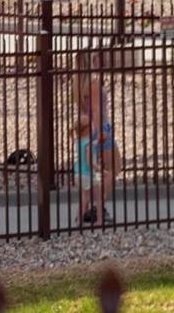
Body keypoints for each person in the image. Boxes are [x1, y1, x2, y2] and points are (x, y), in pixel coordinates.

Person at [73, 52, 117, 225]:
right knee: (111, 169)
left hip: (88, 129)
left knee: (94, 171)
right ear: (90, 61)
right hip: (100, 128)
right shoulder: (93, 82)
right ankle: (98, 209)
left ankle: (89, 208)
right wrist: (100, 133)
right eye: (97, 58)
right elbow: (97, 110)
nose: (101, 61)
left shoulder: (78, 81)